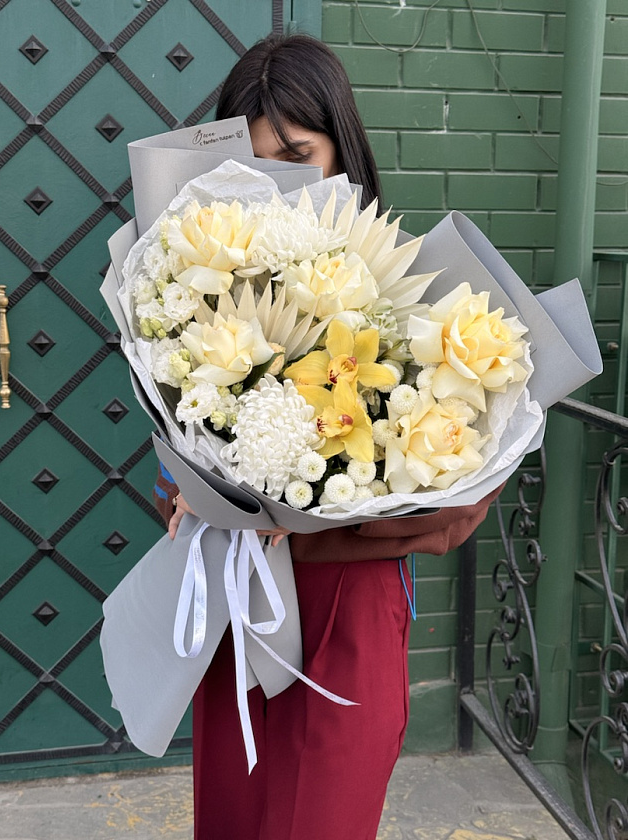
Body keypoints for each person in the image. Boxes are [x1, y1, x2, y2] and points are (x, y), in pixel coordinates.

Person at [153, 32, 501, 840]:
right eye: (254, 161)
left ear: (342, 148)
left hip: (348, 610)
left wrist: (322, 515)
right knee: (234, 820)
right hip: (241, 600)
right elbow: (175, 459)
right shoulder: (205, 291)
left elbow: (462, 502)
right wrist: (193, 498)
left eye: (296, 156)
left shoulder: (408, 291)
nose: (275, 182)